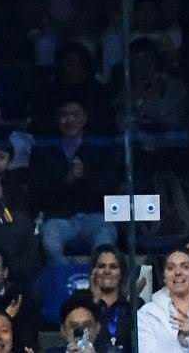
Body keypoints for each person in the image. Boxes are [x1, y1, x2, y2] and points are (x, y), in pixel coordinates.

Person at [31, 99, 118, 267]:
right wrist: (67, 180)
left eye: (75, 115)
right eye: (64, 115)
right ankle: (67, 280)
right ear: (57, 120)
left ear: (84, 118)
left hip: (94, 216)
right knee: (49, 241)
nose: (69, 120)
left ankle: (97, 282)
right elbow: (39, 191)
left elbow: (110, 185)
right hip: (59, 218)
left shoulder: (99, 147)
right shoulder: (44, 150)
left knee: (105, 242)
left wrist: (85, 176)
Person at [85, 246, 134, 352]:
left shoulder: (133, 307)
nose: (107, 271)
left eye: (113, 267)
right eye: (101, 266)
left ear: (121, 273)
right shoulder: (83, 307)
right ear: (94, 272)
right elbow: (81, 341)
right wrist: (95, 302)